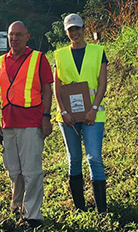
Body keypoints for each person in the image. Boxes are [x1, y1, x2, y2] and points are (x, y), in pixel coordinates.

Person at [0, 21, 53, 228]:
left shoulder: (38, 59)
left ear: (28, 36)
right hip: (8, 124)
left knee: (31, 171)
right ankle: (16, 208)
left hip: (31, 123)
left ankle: (33, 214)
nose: (14, 38)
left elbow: (47, 90)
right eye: (11, 35)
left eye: (19, 35)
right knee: (13, 171)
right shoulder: (0, 60)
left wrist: (46, 117)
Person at [54, 13, 108, 213]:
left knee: (94, 157)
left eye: (77, 28)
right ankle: (80, 208)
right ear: (66, 32)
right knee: (74, 158)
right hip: (68, 117)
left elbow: (102, 83)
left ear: (84, 28)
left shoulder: (98, 51)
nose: (74, 33)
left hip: (93, 114)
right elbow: (57, 87)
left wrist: (93, 109)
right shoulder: (59, 55)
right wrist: (63, 111)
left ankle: (102, 210)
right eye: (70, 30)